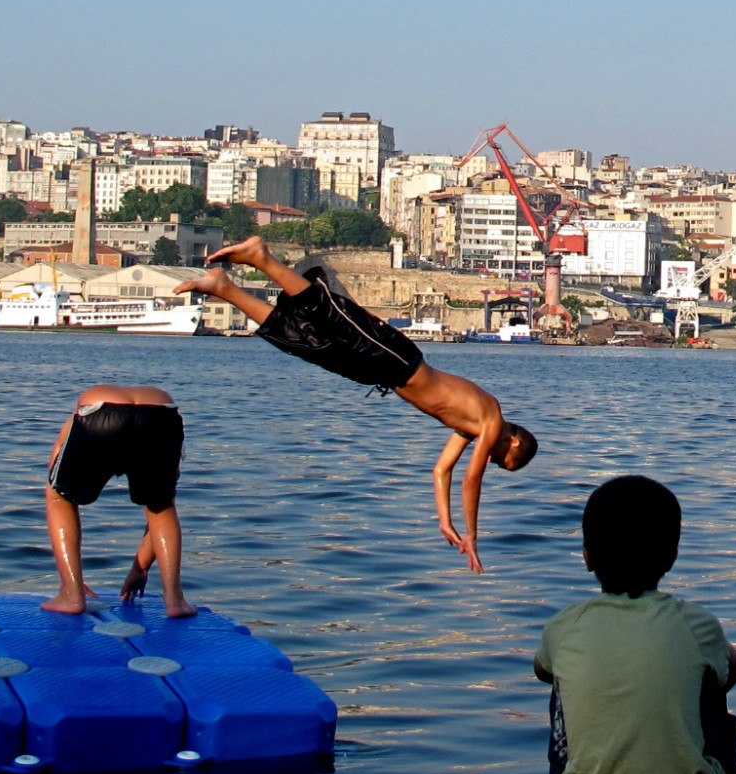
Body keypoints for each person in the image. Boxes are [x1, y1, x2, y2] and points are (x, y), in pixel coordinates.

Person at [176, 237, 537, 572]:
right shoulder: (490, 417)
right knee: (329, 314)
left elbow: (442, 471)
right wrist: (472, 533)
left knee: (306, 343)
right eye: (500, 459)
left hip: (382, 373)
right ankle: (263, 257)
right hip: (398, 359)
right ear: (514, 442)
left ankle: (225, 289)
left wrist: (444, 519)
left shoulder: (470, 427)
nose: (490, 457)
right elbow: (470, 480)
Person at [534, 475, 736, 774]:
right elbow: (735, 670)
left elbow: (542, 670)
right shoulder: (696, 623)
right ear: (672, 556)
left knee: (560, 686)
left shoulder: (564, 625)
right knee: (711, 679)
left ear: (586, 556)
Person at [43, 383, 192, 617]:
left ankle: (71, 594)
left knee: (59, 498)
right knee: (161, 507)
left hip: (99, 412)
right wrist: (140, 569)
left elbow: (56, 483)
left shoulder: (75, 420)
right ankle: (175, 599)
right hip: (161, 413)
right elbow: (159, 510)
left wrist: (68, 578)